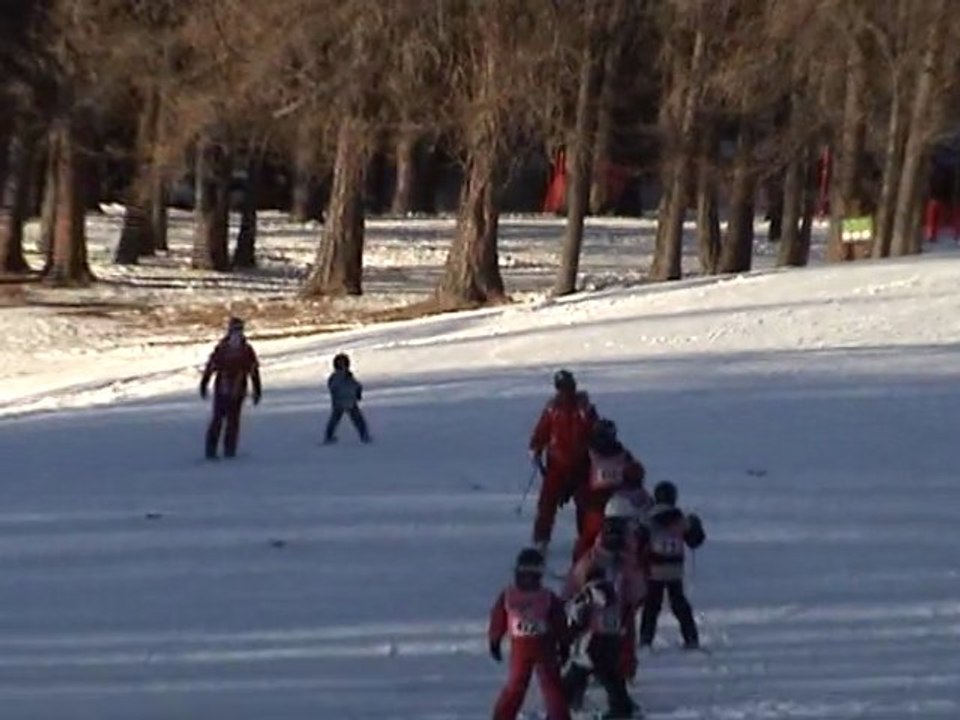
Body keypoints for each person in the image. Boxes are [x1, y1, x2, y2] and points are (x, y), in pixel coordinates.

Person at [565, 497, 648, 684]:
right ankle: (613, 676)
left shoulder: (624, 540)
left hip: (617, 593)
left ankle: (614, 674)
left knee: (611, 637)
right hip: (606, 595)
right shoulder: (617, 542)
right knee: (605, 638)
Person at [488, 547, 571, 720]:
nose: (527, 581)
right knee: (545, 683)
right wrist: (564, 643)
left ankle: (504, 715)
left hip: (529, 645)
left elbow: (498, 619)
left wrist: (495, 639)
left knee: (525, 684)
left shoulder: (512, 595)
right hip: (537, 645)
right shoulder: (544, 596)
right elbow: (559, 621)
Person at [529, 370, 598, 552]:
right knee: (547, 503)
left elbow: (595, 431)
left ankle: (586, 539)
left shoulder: (584, 407)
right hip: (557, 463)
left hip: (581, 464)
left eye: (568, 386)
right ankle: (541, 540)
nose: (565, 391)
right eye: (561, 387)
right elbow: (542, 430)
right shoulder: (552, 409)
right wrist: (536, 447)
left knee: (585, 503)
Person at [563, 565, 639, 719]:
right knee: (607, 674)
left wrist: (569, 635)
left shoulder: (587, 594)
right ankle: (623, 706)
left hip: (592, 641)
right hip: (612, 639)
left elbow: (578, 619)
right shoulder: (614, 594)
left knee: (592, 673)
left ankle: (621, 708)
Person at [638, 481, 706, 650]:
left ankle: (646, 640)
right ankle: (691, 638)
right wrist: (695, 525)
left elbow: (638, 540)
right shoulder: (681, 519)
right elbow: (695, 540)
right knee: (680, 604)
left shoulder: (648, 519)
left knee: (652, 606)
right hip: (675, 570)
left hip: (654, 570)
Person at [571, 419, 647, 562]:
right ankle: (579, 570)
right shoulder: (588, 454)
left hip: (619, 504)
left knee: (627, 536)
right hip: (595, 503)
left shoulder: (623, 454)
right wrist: (581, 495)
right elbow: (578, 477)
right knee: (588, 537)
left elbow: (634, 477)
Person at [200, 317, 261, 459]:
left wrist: (257, 389)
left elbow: (253, 370)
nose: (236, 333)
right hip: (222, 386)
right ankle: (211, 451)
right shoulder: (222, 348)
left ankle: (230, 450)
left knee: (233, 420)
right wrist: (204, 383)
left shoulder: (246, 349)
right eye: (234, 329)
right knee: (218, 419)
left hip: (238, 387)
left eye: (239, 329)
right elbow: (211, 366)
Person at [324, 352, 370, 444]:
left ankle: (364, 436)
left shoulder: (349, 375)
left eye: (344, 363)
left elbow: (356, 385)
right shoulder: (335, 376)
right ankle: (328, 437)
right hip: (339, 403)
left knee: (359, 421)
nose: (342, 365)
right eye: (340, 363)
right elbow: (332, 386)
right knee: (334, 421)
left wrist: (358, 391)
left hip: (351, 402)